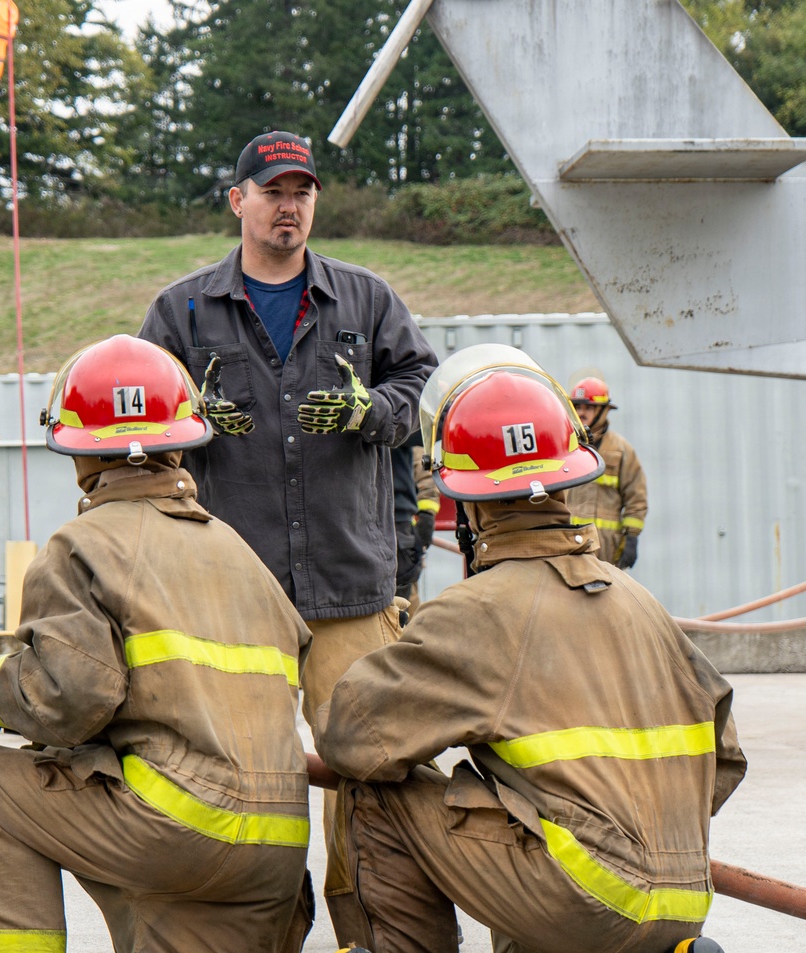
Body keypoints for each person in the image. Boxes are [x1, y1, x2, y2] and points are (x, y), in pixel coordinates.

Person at [314, 345, 745, 953]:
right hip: (686, 902)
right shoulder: (644, 604)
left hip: (587, 904)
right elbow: (725, 759)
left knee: (376, 787)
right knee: (534, 816)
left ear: (468, 502)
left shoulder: (475, 612)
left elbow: (351, 738)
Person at [0, 335, 313, 953]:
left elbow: (71, 698)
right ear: (181, 442)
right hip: (277, 848)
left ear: (79, 454)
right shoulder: (241, 553)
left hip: (175, 828)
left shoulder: (81, 546)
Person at [138, 129, 438, 936]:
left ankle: (366, 934)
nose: (289, 206)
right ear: (238, 200)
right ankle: (261, 932)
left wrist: (374, 410)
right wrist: (190, 419)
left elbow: (418, 381)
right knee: (242, 775)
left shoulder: (366, 301)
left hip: (350, 586)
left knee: (369, 769)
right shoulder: (183, 310)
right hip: (231, 596)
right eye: (273, 191)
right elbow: (140, 417)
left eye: (302, 192)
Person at [565, 375, 647, 569]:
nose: (581, 412)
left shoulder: (621, 450)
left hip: (607, 548)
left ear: (604, 410)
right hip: (568, 545)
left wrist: (632, 537)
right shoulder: (565, 446)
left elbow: (636, 498)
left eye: (588, 407)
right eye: (577, 407)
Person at [393, 432, 440, 617]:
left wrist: (426, 516)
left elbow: (422, 467)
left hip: (399, 539)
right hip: (395, 538)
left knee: (405, 610)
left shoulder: (398, 426)